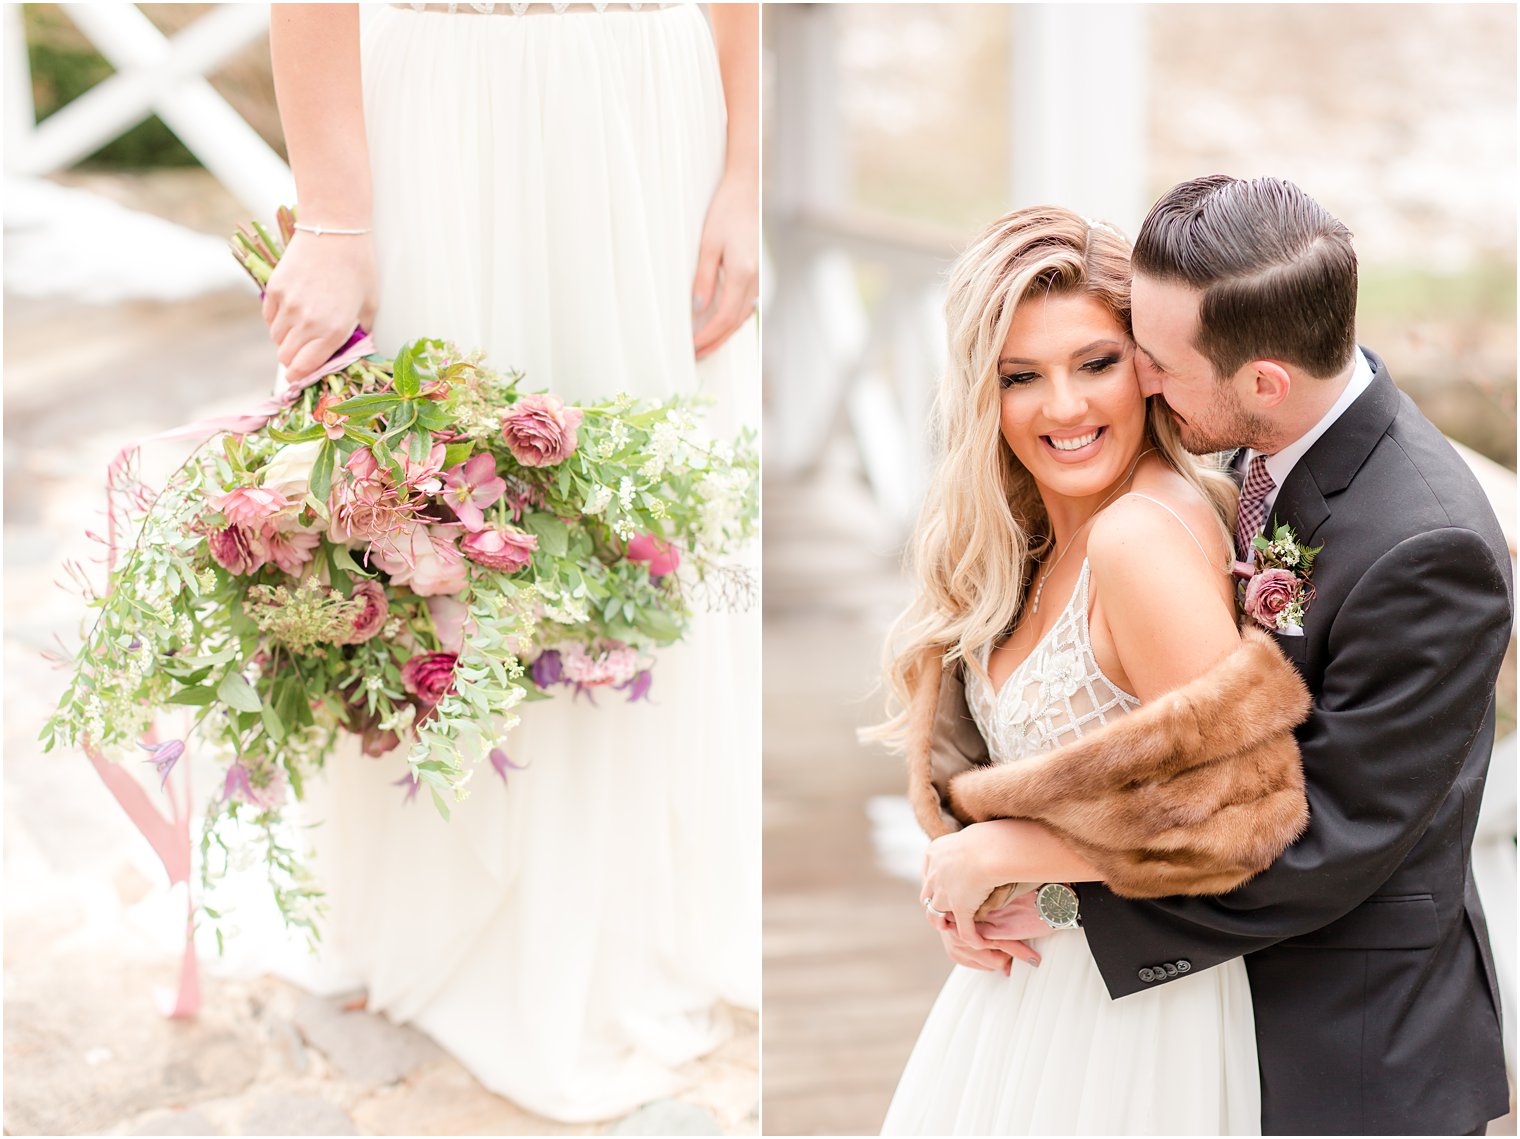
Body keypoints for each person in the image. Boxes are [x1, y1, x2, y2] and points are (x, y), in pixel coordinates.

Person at [260, 3, 759, 1123]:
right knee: (439, 495)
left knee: (642, 511)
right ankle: (430, 883)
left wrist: (743, 171)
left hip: (648, 115)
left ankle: (616, 914)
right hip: (444, 111)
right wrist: (335, 221)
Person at [969, 176, 1512, 1136]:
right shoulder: (1251, 440)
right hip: (1206, 1016)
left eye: (1154, 362)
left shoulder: (1430, 548)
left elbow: (1325, 841)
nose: (1136, 381)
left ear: (1262, 380)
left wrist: (1038, 868)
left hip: (1347, 1053)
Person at [871, 206, 1278, 1135]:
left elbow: (1243, 807)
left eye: (1095, 363)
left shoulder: (1139, 537)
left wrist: (1001, 854)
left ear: (1148, 366)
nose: (1064, 407)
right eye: (1022, 376)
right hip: (1034, 999)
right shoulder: (1032, 539)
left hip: (1133, 1024)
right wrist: (975, 873)